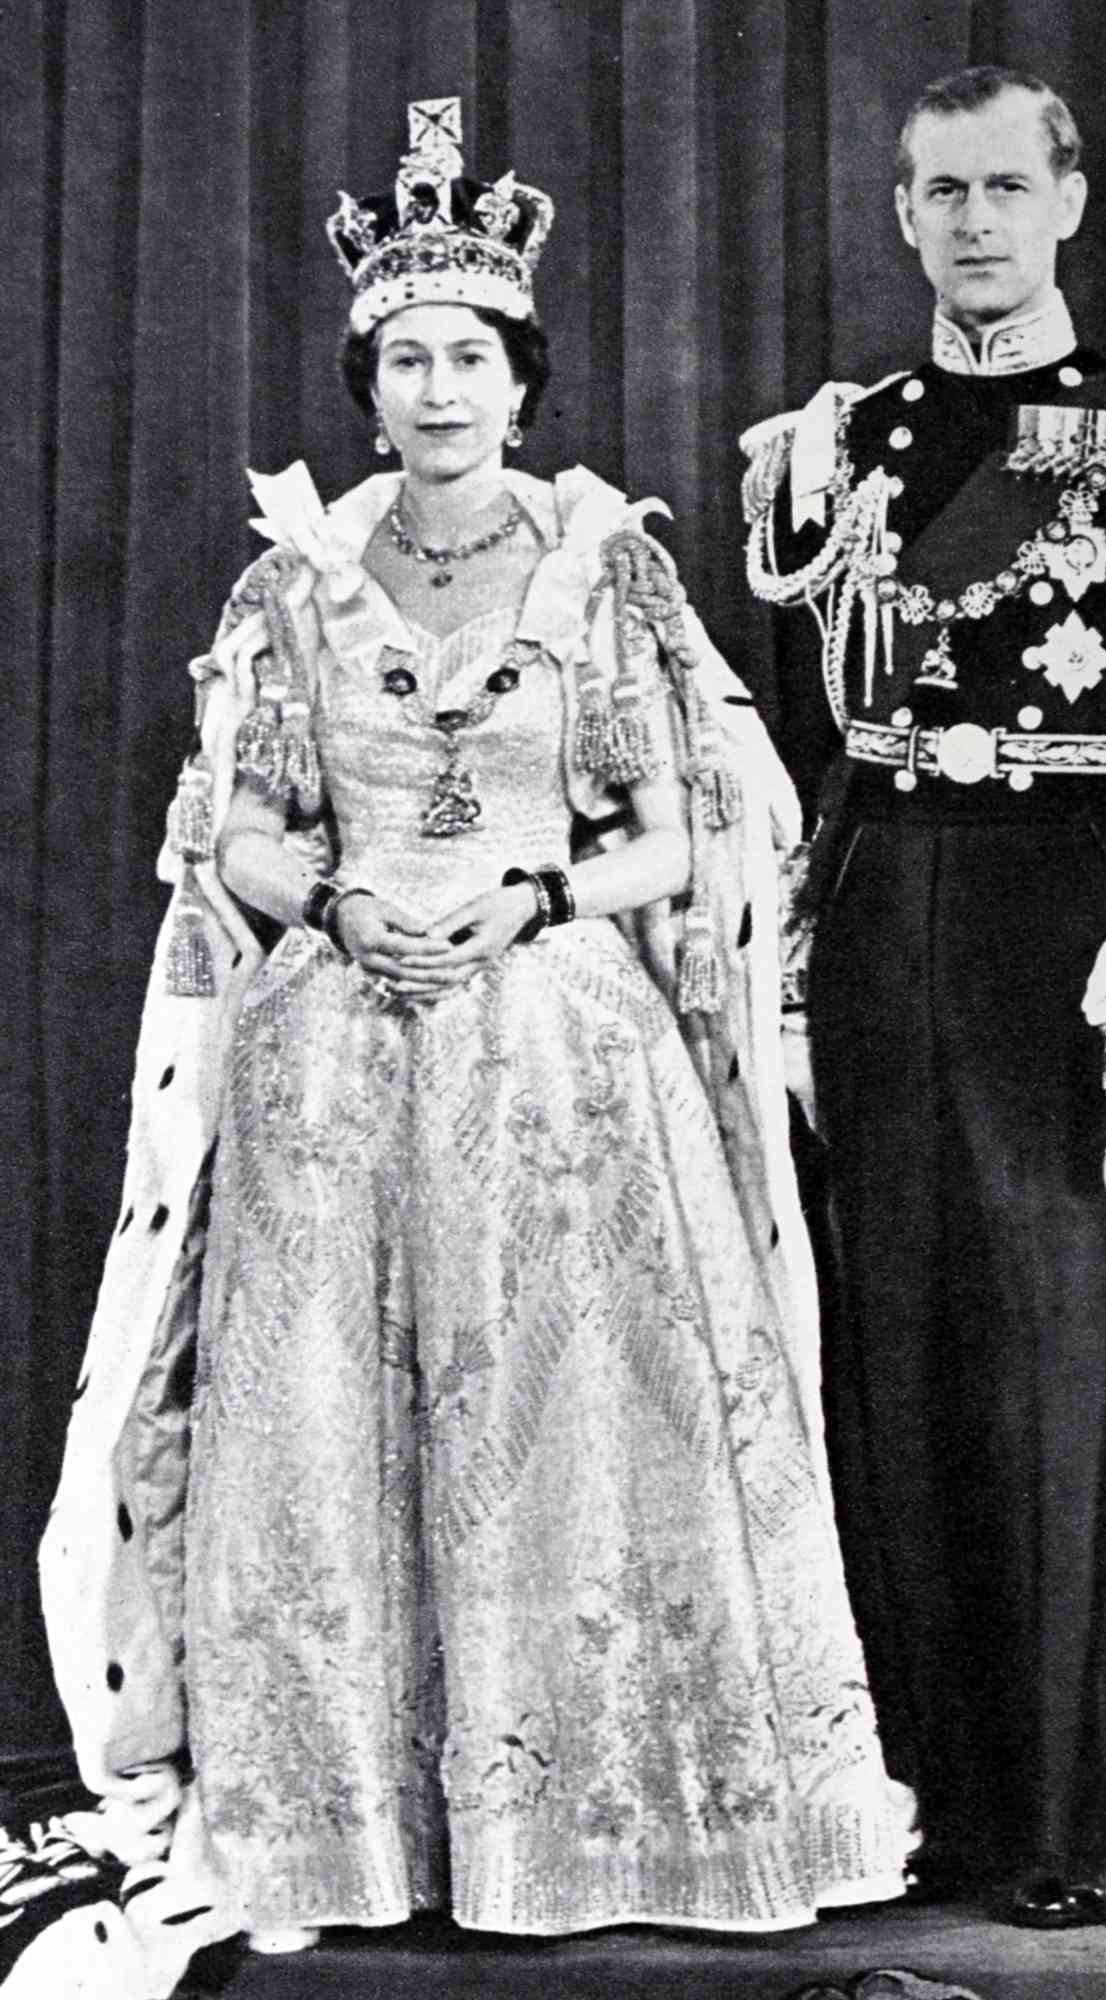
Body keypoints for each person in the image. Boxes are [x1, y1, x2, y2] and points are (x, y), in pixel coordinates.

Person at [37, 96, 918, 1981]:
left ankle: (588, 1823)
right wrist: (338, 903)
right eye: (408, 360)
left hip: (557, 1043)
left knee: (567, 1423)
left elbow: (682, 835)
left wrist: (530, 900)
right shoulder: (289, 582)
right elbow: (240, 830)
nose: (439, 388)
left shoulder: (610, 569)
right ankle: (353, 1824)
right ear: (370, 389)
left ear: (521, 383)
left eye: (472, 358)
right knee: (337, 1428)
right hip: (339, 1048)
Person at [742, 66, 1106, 1928]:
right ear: (900, 214)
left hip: (1069, 916)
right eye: (936, 191)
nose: (970, 222)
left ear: (1066, 200)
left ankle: (1049, 1834)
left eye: (1002, 185)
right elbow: (810, 748)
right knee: (881, 1363)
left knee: (1048, 1378)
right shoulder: (836, 447)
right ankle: (912, 1809)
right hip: (880, 899)